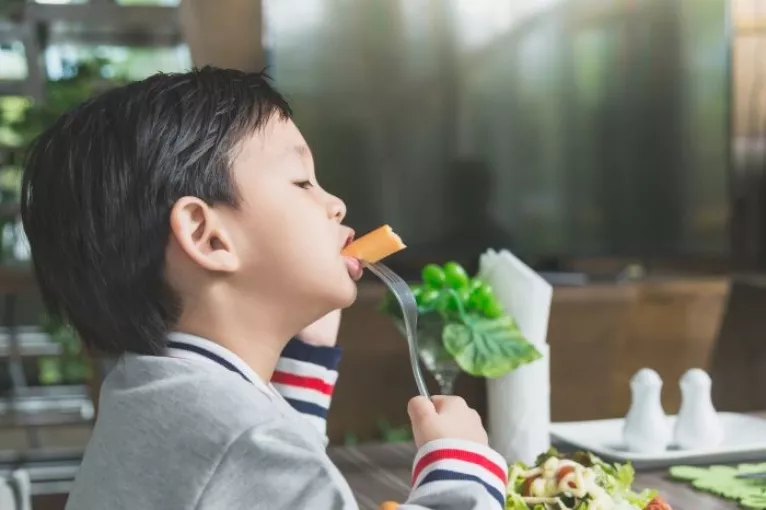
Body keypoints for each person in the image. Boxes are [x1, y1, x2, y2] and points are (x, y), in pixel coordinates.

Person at [20, 67, 508, 509]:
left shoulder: (148, 393)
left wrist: (303, 368)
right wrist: (460, 468)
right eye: (302, 182)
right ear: (208, 236)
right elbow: (261, 460)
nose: (335, 204)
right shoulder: (249, 442)